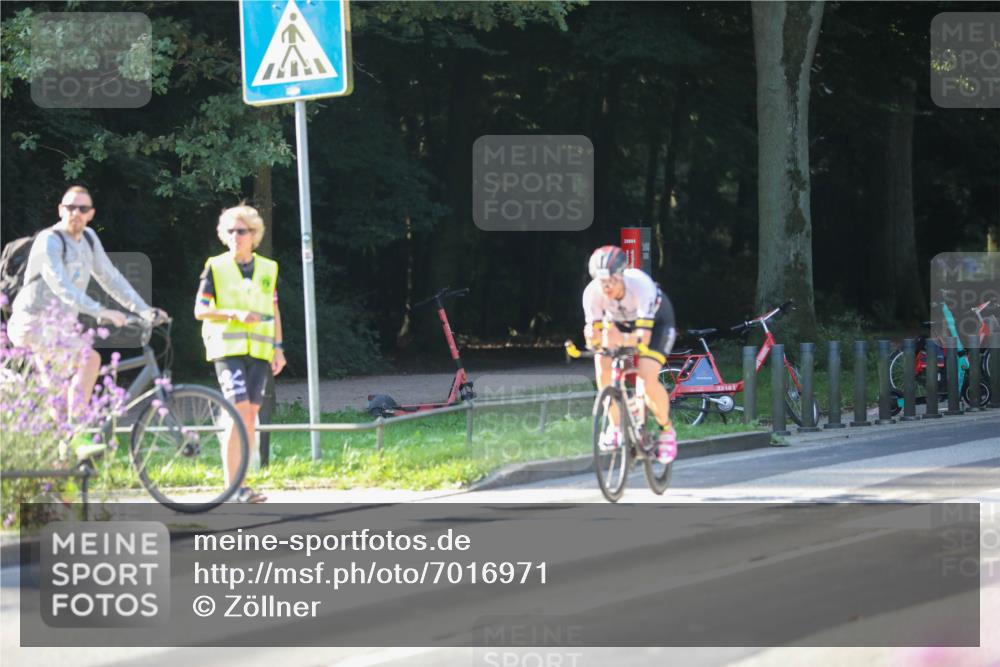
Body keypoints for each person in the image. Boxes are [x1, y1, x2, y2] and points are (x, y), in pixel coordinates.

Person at [6, 185, 165, 442]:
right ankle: (79, 434)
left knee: (60, 391)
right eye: (70, 207)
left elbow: (111, 278)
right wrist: (101, 311)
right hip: (31, 321)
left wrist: (144, 310)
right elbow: (61, 285)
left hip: (59, 327)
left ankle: (62, 455)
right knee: (89, 359)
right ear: (60, 210)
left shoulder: (89, 238)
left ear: (91, 213)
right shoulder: (50, 240)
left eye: (82, 208)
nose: (75, 213)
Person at [194, 205, 285, 504]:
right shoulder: (215, 267)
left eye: (241, 231)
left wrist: (278, 348)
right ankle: (231, 486)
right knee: (236, 412)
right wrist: (233, 313)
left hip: (259, 351)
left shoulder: (268, 268)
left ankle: (242, 486)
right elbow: (200, 310)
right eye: (230, 231)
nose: (235, 236)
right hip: (226, 348)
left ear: (254, 234)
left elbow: (273, 309)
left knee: (249, 417)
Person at [582, 245, 677, 463]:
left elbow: (643, 338)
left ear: (622, 275)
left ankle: (667, 430)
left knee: (646, 380)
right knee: (602, 366)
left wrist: (621, 339)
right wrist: (593, 337)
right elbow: (595, 335)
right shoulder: (592, 294)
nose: (607, 288)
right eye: (602, 282)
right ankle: (616, 427)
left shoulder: (640, 286)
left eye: (612, 281)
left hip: (657, 324)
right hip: (622, 324)